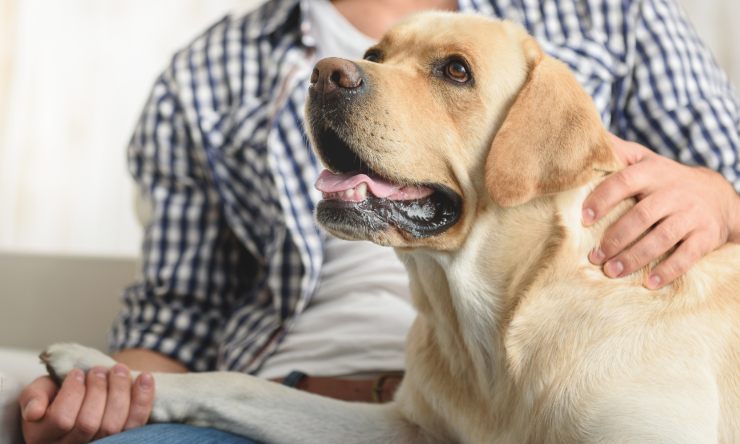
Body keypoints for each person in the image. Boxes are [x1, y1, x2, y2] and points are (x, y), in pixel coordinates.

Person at [18, 0, 740, 442]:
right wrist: (116, 399)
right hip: (328, 400)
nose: (352, 75)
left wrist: (721, 195)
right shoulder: (205, 70)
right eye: (376, 60)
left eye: (451, 72)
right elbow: (177, 312)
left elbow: (728, 181)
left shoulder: (613, 11)